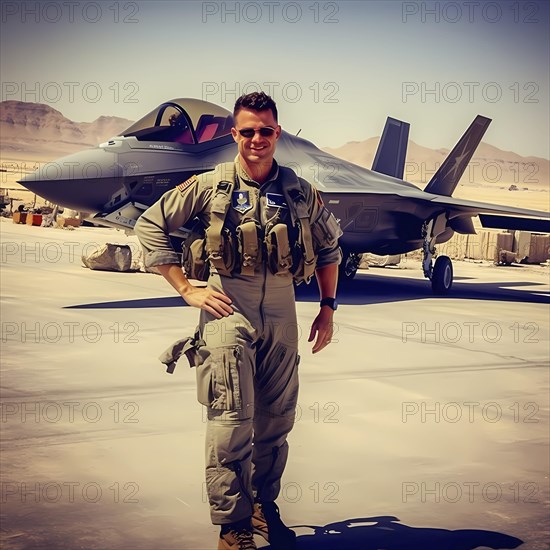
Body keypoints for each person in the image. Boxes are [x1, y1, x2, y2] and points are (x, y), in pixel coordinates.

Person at [135, 92, 342, 550]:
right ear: (235, 134)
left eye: (265, 130)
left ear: (277, 133)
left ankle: (263, 509)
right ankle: (233, 526)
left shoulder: (300, 192)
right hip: (228, 307)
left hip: (284, 314)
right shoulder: (210, 185)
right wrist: (188, 289)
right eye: (247, 131)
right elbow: (150, 225)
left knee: (277, 422)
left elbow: (330, 249)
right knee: (230, 421)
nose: (256, 139)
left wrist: (328, 308)